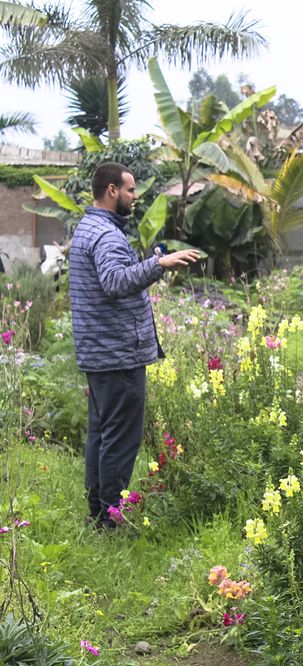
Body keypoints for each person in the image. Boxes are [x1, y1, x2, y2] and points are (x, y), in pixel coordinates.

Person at [69, 162, 200, 528]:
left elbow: (111, 277)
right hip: (117, 354)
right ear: (111, 191)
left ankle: (98, 514)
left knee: (102, 434)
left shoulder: (89, 227)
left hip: (99, 352)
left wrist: (148, 263)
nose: (134, 197)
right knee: (121, 439)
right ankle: (110, 519)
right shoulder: (107, 235)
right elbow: (114, 282)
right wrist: (159, 264)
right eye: (129, 190)